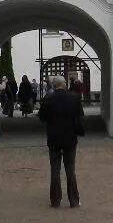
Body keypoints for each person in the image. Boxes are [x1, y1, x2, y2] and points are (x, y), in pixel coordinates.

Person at [38, 75, 85, 208]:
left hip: (54, 138)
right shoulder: (74, 98)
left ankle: (55, 200)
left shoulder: (48, 99)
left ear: (53, 85)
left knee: (55, 170)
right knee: (70, 169)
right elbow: (80, 116)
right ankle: (74, 200)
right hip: (70, 138)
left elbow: (42, 117)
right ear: (64, 84)